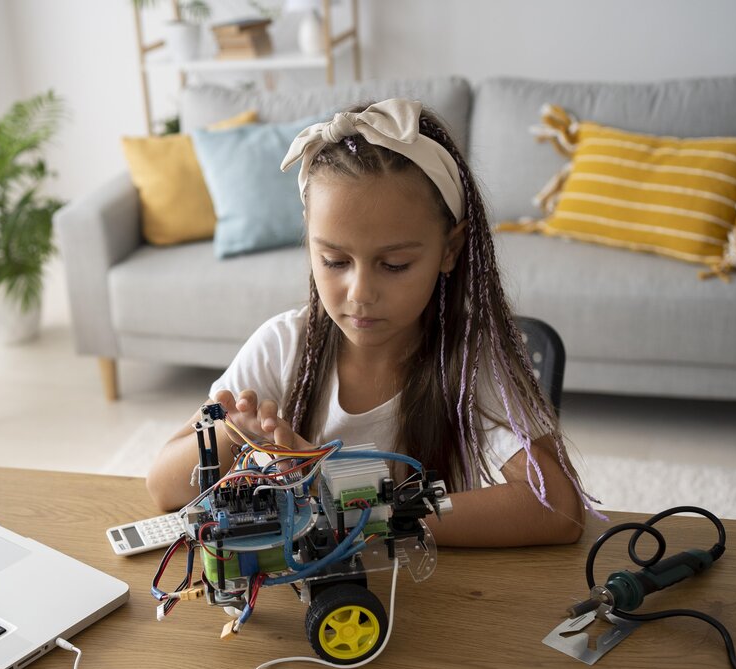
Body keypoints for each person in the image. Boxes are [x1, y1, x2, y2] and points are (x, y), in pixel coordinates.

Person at [146, 99, 594, 546]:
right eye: (334, 260)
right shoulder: (283, 346)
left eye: (395, 264)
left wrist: (361, 506)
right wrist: (232, 433)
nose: (360, 293)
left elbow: (556, 508)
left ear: (450, 250)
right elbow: (163, 487)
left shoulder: (471, 362)